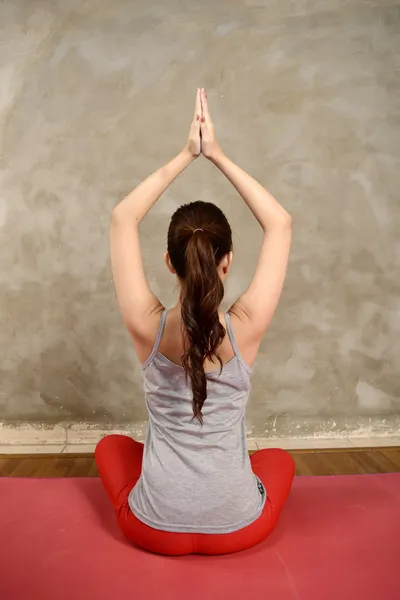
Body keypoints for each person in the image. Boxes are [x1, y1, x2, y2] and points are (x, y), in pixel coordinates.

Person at [95, 88, 295, 556]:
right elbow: (280, 223)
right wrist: (218, 156)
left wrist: (186, 154)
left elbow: (123, 217)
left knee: (110, 448)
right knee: (278, 461)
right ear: (225, 263)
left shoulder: (149, 326)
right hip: (240, 529)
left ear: (170, 262)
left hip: (152, 530)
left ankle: (164, 501)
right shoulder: (245, 328)